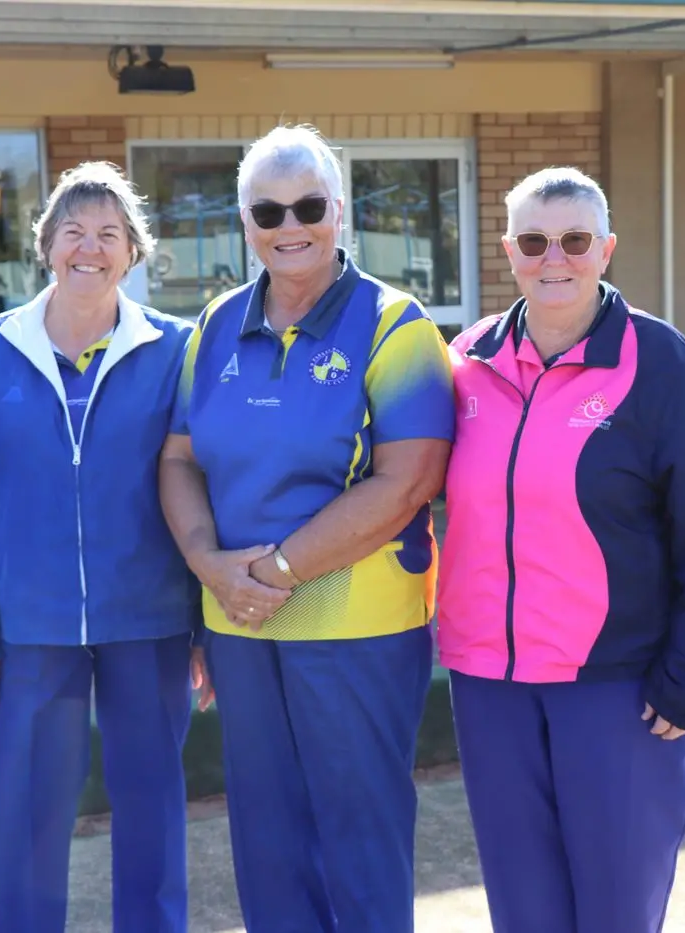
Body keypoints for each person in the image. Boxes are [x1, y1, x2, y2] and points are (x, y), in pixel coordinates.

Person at [159, 125, 455, 933]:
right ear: (244, 223)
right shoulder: (215, 324)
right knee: (265, 834)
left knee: (359, 832)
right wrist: (207, 565)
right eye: (268, 209)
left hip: (357, 626)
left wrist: (273, 573)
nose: (289, 225)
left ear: (341, 210)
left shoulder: (396, 324)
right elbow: (178, 460)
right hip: (239, 625)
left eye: (308, 205)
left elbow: (408, 481)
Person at [437, 166, 685, 933]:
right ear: (507, 250)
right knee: (524, 909)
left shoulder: (660, 363)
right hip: (489, 685)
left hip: (615, 689)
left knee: (613, 910)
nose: (555, 259)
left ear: (605, 249)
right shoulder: (465, 359)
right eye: (535, 241)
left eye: (574, 240)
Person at [0, 161, 202, 933]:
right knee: (26, 816)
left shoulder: (175, 348)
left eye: (108, 234)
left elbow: (199, 486)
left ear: (133, 252)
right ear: (44, 246)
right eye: (72, 232)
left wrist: (203, 626)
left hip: (151, 620)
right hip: (32, 626)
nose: (88, 249)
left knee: (152, 807)